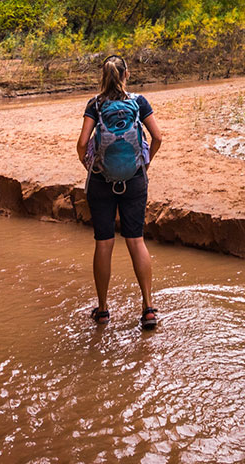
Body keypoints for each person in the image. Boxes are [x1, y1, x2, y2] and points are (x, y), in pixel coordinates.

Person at [76, 55, 164, 330]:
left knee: (104, 243)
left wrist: (90, 166)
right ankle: (148, 308)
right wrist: (144, 163)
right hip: (135, 179)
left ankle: (103, 311)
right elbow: (158, 137)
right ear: (127, 74)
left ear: (103, 76)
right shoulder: (139, 102)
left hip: (101, 181)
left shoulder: (95, 104)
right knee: (136, 240)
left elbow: (81, 144)